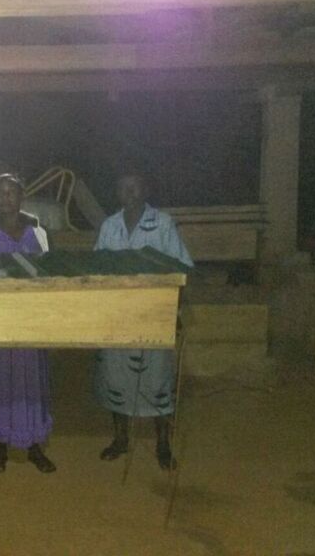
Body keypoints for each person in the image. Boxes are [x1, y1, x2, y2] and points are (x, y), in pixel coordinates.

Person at [92, 170, 193, 470]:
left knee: (158, 381)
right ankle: (121, 439)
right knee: (116, 379)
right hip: (118, 318)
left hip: (154, 316)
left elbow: (182, 269)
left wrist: (175, 312)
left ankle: (163, 445)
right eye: (123, 187)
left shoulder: (163, 224)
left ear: (145, 190)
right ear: (117, 193)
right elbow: (97, 269)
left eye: (134, 187)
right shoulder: (110, 226)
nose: (129, 192)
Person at [0, 174, 55, 474]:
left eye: (11, 193)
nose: (5, 198)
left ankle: (34, 446)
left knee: (32, 383)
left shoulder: (40, 233)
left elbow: (53, 274)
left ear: (21, 196)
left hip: (33, 322)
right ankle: (0, 446)